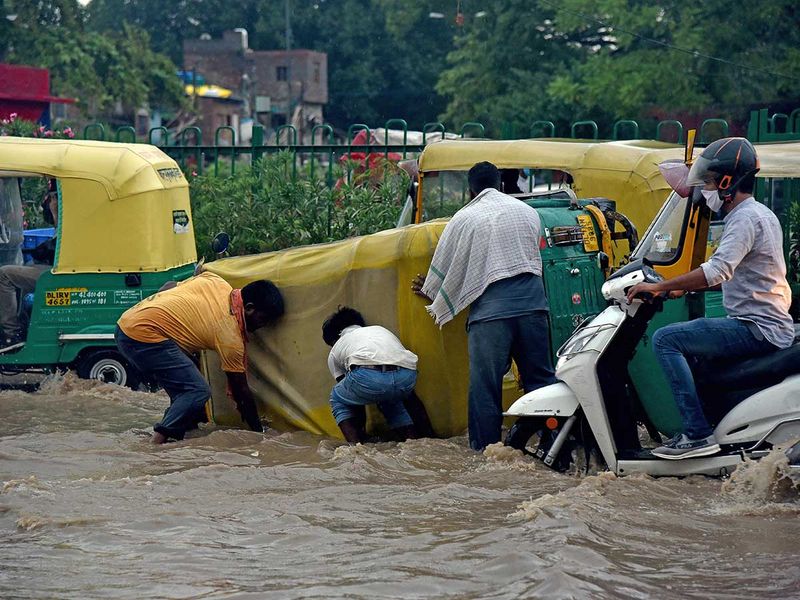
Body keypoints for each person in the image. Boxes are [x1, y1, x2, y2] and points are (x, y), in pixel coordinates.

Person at [626, 137, 794, 460]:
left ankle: (697, 434)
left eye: (711, 182)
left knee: (665, 340)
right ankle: (712, 423)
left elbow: (717, 271)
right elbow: (743, 277)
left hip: (757, 328)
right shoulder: (760, 215)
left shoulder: (745, 219)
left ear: (728, 182)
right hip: (764, 322)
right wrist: (680, 287)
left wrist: (658, 287)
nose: (707, 189)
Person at [412, 161, 555, 451]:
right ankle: (554, 445)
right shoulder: (528, 212)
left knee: (485, 389)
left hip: (491, 316)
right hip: (534, 308)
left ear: (470, 191)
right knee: (540, 381)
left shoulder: (464, 219)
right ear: (501, 184)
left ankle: (485, 453)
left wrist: (433, 292)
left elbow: (452, 267)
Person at [115, 272, 285, 444]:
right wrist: (258, 432)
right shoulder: (230, 337)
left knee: (189, 384)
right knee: (197, 390)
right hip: (142, 337)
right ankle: (156, 444)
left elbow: (169, 285)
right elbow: (241, 391)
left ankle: (183, 435)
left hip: (126, 322)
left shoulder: (215, 281)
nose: (261, 327)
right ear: (248, 308)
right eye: (263, 319)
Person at [322, 306, 433, 443]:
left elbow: (353, 399)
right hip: (407, 375)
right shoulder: (380, 330)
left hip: (369, 377)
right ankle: (417, 440)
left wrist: (361, 430)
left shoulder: (337, 347)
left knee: (337, 398)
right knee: (390, 400)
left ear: (336, 336)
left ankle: (357, 447)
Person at [0, 180, 58, 350]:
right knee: (23, 269)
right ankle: (24, 326)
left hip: (62, 272)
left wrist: (55, 210)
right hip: (56, 267)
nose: (51, 202)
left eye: (53, 198)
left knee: (4, 274)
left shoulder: (70, 214)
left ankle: (11, 334)